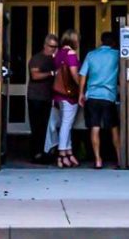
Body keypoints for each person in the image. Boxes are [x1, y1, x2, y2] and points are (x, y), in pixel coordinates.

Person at [78, 30, 122, 169]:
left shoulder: (91, 55)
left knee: (95, 128)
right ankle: (120, 158)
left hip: (93, 96)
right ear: (114, 42)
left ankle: (98, 160)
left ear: (101, 41)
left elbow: (83, 75)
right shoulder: (117, 55)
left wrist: (81, 93)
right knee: (114, 128)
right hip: (109, 97)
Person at [26, 34, 59, 163]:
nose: (53, 49)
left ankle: (44, 153)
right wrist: (51, 73)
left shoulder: (53, 60)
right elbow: (35, 76)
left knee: (46, 127)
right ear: (45, 45)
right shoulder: (37, 59)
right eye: (51, 46)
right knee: (37, 127)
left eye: (56, 47)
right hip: (36, 98)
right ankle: (36, 154)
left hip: (47, 98)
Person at [52, 29, 82, 168]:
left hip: (58, 94)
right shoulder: (71, 54)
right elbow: (74, 75)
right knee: (66, 125)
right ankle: (62, 155)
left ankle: (69, 153)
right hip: (69, 94)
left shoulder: (58, 54)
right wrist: (82, 88)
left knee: (66, 124)